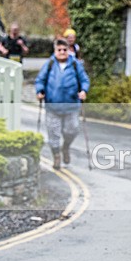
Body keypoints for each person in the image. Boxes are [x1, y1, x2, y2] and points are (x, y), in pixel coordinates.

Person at [35, 38, 90, 170]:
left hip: (71, 106)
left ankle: (66, 146)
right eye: (59, 50)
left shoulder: (75, 64)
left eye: (64, 50)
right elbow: (40, 80)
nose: (62, 52)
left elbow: (84, 80)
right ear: (55, 51)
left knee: (72, 129)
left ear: (68, 50)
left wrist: (83, 91)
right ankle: (56, 157)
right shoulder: (49, 64)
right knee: (53, 133)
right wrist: (39, 91)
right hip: (52, 106)